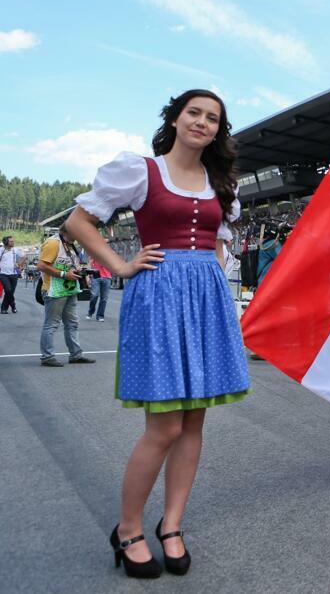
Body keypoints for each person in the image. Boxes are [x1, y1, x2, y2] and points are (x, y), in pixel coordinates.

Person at [65, 89, 249, 578]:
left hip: (205, 302)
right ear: (175, 117)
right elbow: (78, 222)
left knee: (193, 422)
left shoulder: (220, 182)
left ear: (218, 130)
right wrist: (122, 265)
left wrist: (213, 289)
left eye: (213, 118)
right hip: (159, 298)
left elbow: (219, 246)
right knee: (164, 425)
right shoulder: (141, 170)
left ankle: (171, 524)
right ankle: (128, 528)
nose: (203, 123)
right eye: (195, 113)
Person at [37, 226, 96, 367]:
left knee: (72, 323)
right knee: (51, 324)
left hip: (69, 290)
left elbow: (67, 265)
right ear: (66, 231)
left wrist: (80, 271)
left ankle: (76, 355)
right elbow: (41, 265)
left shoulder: (70, 245)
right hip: (54, 290)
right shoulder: (53, 243)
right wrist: (64, 274)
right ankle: (47, 356)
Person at [0, 235, 25, 314]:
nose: (13, 242)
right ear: (6, 242)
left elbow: (24, 256)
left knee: (10, 292)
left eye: (13, 241)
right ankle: (13, 305)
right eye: (11, 241)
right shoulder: (1, 250)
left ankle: (4, 309)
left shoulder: (15, 250)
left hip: (14, 274)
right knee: (8, 290)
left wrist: (20, 265)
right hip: (3, 274)